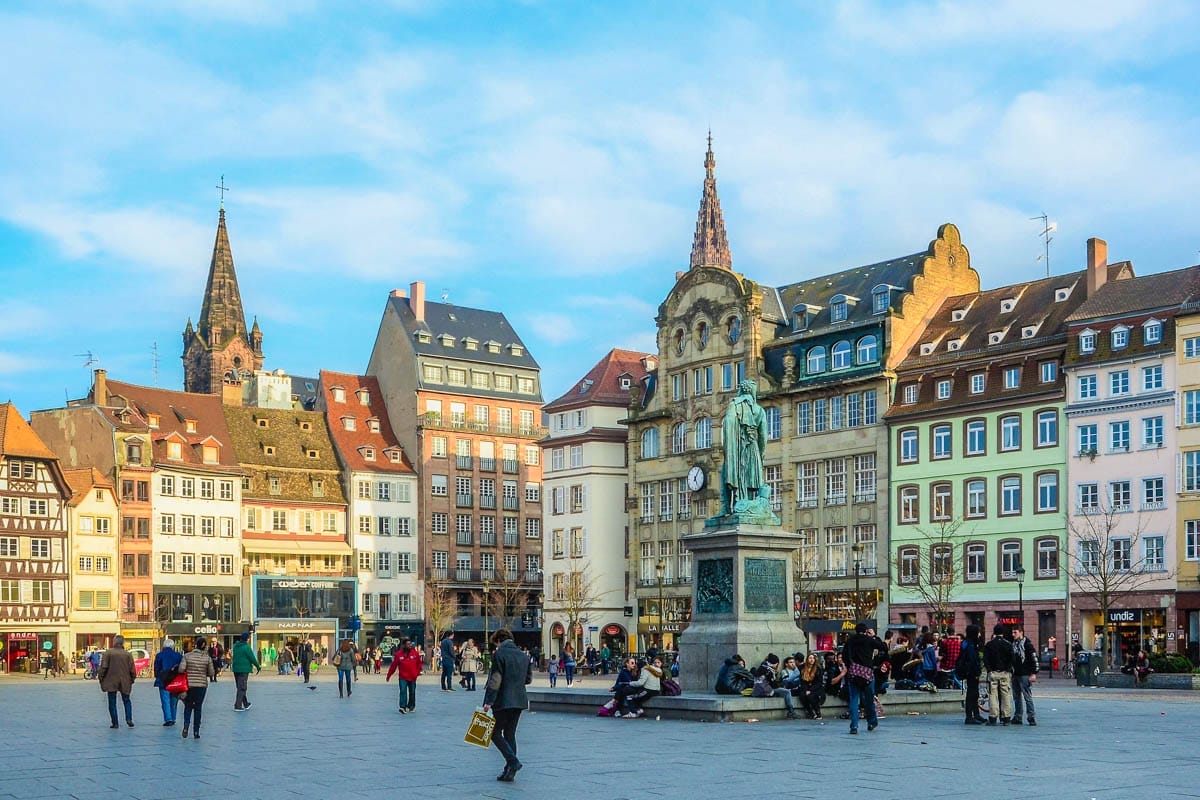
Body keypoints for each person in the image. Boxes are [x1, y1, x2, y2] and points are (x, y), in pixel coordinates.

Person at [482, 629, 533, 782]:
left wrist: (488, 701)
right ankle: (510, 771)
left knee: (494, 733)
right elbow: (528, 679)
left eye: (496, 643)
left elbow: (495, 680)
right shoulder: (523, 655)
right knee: (510, 734)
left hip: (503, 700)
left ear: (499, 640)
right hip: (519, 699)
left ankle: (513, 761)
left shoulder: (500, 654)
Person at [843, 623, 887, 734]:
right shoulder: (869, 640)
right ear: (866, 631)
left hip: (854, 674)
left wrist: (850, 666)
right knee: (869, 699)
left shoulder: (850, 641)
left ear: (856, 630)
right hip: (867, 674)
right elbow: (884, 647)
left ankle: (854, 726)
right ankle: (871, 722)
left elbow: (844, 656)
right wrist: (874, 636)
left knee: (854, 700)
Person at [179, 637, 215, 739]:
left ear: (195, 645)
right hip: (201, 686)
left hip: (189, 685)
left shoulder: (187, 656)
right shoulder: (207, 658)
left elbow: (181, 669)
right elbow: (211, 673)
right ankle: (196, 731)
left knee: (188, 706)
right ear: (204, 646)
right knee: (198, 707)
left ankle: (186, 726)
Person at [98, 635, 136, 729]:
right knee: (126, 700)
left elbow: (103, 667)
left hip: (111, 680)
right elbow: (132, 670)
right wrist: (132, 679)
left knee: (112, 702)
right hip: (125, 681)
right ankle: (129, 719)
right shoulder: (128, 654)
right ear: (122, 643)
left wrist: (101, 678)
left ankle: (115, 723)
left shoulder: (108, 653)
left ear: (114, 642)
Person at [982, 624, 1015, 725]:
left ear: (994, 632)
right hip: (1005, 673)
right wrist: (1008, 670)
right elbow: (1012, 659)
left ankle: (993, 717)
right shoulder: (1008, 644)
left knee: (993, 695)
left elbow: (985, 659)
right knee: (1006, 695)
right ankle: (1006, 717)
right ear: (1003, 633)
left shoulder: (989, 645)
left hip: (993, 672)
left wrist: (989, 670)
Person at [753, 653, 797, 720]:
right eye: (777, 663)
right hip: (765, 691)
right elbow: (773, 685)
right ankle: (791, 712)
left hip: (756, 691)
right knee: (787, 692)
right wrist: (781, 686)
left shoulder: (762, 667)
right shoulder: (769, 670)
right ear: (775, 663)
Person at [386, 637, 424, 714]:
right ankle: (402, 707)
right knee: (403, 691)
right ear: (403, 645)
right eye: (407, 644)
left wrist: (417, 672)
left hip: (412, 677)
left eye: (410, 644)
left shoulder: (415, 654)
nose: (409, 645)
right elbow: (393, 666)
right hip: (403, 677)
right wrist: (389, 675)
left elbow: (419, 664)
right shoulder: (398, 655)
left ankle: (411, 706)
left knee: (412, 692)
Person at [956, 625, 985, 725]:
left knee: (974, 693)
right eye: (978, 632)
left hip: (968, 672)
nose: (979, 634)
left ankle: (976, 714)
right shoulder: (971, 645)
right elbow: (973, 660)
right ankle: (969, 716)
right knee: (972, 694)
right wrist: (976, 672)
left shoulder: (966, 643)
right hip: (972, 673)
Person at [1010, 626, 1038, 726]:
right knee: (1016, 697)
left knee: (1027, 696)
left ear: (1021, 632)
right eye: (1013, 632)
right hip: (1015, 673)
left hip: (1025, 674)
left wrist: (1034, 673)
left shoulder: (1027, 645)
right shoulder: (1013, 644)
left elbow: (1034, 659)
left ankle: (1031, 717)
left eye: (1015, 632)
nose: (1013, 635)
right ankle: (1018, 716)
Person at [153, 638, 183, 727]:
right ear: (173, 646)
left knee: (165, 700)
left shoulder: (159, 655)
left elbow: (156, 669)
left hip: (163, 681)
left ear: (164, 646)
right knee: (174, 701)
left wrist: (158, 676)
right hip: (175, 681)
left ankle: (168, 719)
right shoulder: (178, 656)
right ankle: (173, 718)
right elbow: (181, 668)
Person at [231, 632, 261, 711]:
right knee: (242, 687)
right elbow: (252, 658)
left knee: (240, 686)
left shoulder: (235, 646)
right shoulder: (246, 647)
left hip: (236, 669)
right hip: (244, 669)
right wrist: (258, 666)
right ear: (247, 639)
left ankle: (246, 704)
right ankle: (237, 706)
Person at [796, 653, 826, 719]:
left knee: (811, 696)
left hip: (816, 688)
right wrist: (806, 690)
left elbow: (819, 682)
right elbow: (802, 681)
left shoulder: (818, 668)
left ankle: (818, 713)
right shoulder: (802, 668)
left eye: (813, 658)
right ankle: (810, 712)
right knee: (802, 695)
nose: (812, 660)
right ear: (807, 659)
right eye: (810, 658)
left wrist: (810, 690)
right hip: (806, 687)